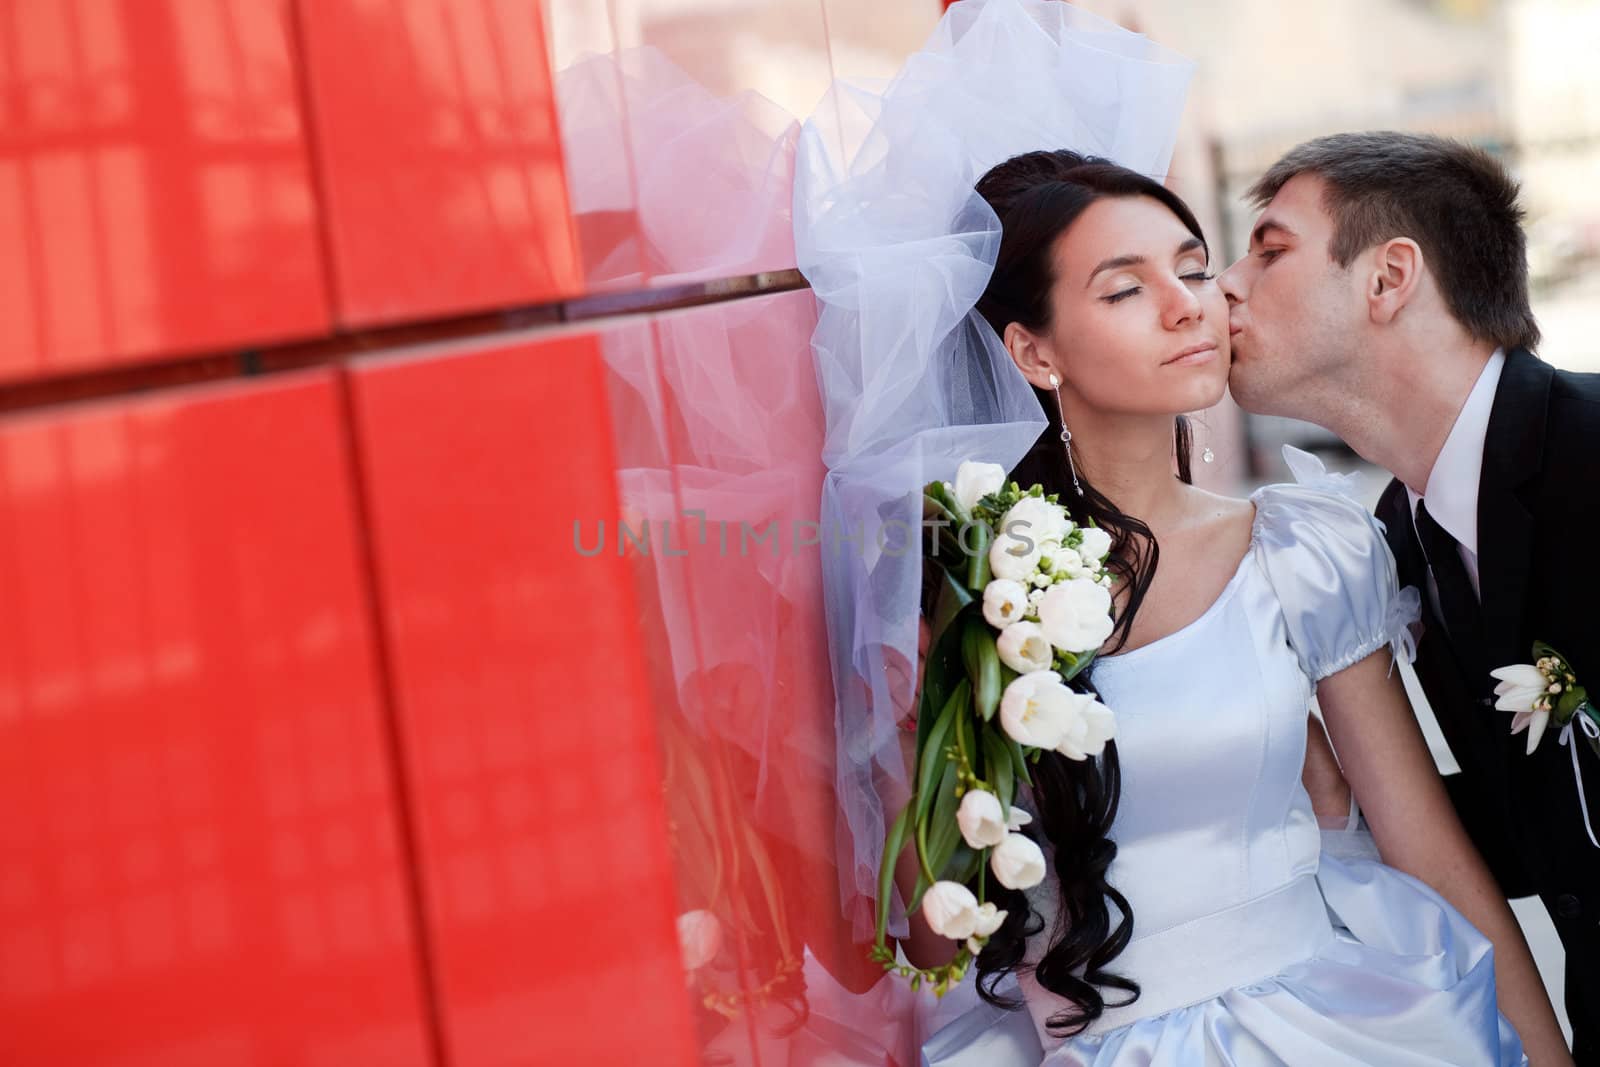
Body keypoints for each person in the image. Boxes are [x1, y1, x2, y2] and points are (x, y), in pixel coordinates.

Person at [903, 148, 1570, 1065]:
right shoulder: (971, 594)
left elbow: (1429, 848)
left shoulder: (1300, 550)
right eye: (1123, 289)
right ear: (1032, 351)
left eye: (1190, 267)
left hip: (1322, 1023)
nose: (1193, 303)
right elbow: (937, 935)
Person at [1219, 131, 1600, 1060]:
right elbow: (1544, 823)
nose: (1226, 285)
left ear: (1389, 279)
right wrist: (1327, 799)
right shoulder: (1397, 537)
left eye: (1269, 250)